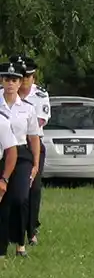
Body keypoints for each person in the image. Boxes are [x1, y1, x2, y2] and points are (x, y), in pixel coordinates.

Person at [0, 58, 43, 258]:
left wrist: (35, 163)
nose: (10, 83)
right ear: (1, 81)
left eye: (14, 80)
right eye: (7, 79)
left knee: (20, 198)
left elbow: (33, 137)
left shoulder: (27, 108)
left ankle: (20, 242)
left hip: (21, 154)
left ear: (20, 83)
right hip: (1, 153)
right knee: (4, 200)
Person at [15, 56, 48, 246]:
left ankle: (31, 229)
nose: (24, 80)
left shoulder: (40, 96)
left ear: (33, 77)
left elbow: (40, 122)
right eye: (21, 76)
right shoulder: (5, 93)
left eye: (28, 76)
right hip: (9, 145)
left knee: (33, 188)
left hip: (32, 144)